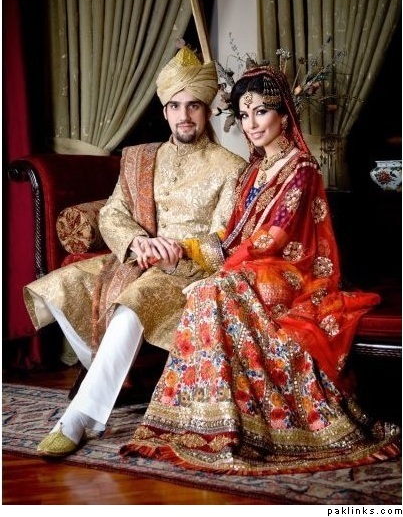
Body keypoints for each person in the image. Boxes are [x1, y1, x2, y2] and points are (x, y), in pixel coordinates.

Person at [120, 64, 400, 475]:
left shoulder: (301, 169)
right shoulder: (252, 171)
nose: (251, 124)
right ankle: (208, 420)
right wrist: (192, 254)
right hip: (250, 267)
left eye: (261, 112)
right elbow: (232, 234)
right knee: (208, 292)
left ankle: (261, 422)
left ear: (284, 115)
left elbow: (273, 238)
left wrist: (211, 264)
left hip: (290, 272)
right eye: (244, 114)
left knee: (215, 289)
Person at [23, 45, 246, 457]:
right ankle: (108, 374)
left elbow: (226, 239)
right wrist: (136, 242)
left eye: (193, 105)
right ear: (165, 111)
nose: (184, 115)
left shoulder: (231, 167)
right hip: (133, 259)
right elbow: (113, 213)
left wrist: (178, 250)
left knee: (132, 305)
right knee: (54, 288)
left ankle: (78, 419)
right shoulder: (142, 158)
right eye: (175, 106)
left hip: (186, 269)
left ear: (208, 110)